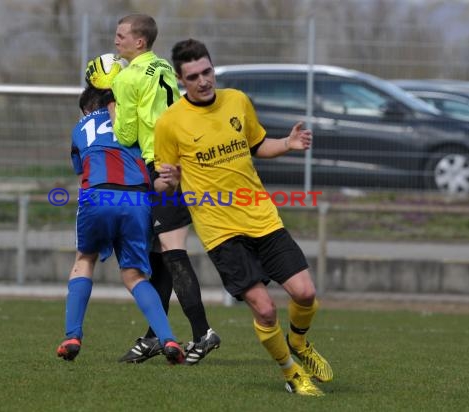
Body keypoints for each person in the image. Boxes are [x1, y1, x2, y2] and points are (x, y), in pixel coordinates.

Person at [153, 38, 333, 396]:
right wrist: (167, 181)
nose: (203, 81)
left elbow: (256, 145)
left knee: (306, 293)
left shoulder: (237, 100)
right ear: (180, 80)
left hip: (262, 217)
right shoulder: (170, 123)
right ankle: (291, 373)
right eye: (193, 76)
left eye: (207, 71)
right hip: (220, 232)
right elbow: (163, 185)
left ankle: (299, 343)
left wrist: (287, 144)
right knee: (265, 311)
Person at [108, 14, 220, 365]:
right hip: (184, 159)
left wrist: (112, 108)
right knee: (160, 254)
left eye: (121, 35)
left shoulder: (127, 77)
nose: (116, 41)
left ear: (139, 42)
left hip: (161, 166)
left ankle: (202, 333)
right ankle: (156, 335)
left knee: (172, 251)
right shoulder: (163, 67)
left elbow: (125, 135)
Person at [55, 82, 184, 365]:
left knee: (84, 259)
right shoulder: (132, 123)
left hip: (98, 195)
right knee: (134, 275)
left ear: (87, 109)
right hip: (137, 199)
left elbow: (82, 172)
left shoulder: (79, 129)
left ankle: (72, 335)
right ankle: (168, 338)